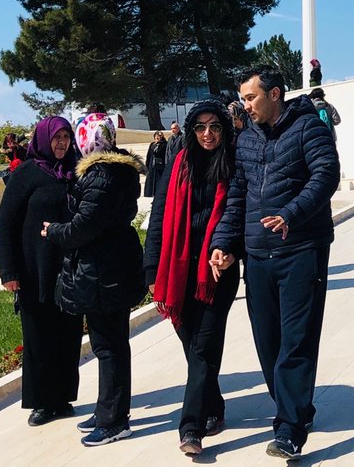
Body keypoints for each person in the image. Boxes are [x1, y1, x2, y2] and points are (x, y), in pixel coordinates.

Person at [209, 69, 339, 461]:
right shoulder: (246, 139)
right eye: (243, 99)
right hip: (258, 256)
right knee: (268, 343)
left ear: (276, 94)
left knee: (297, 341)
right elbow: (238, 195)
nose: (245, 105)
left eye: (250, 97)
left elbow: (326, 175)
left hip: (301, 250)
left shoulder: (308, 129)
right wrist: (225, 243)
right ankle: (296, 406)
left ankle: (290, 427)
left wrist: (292, 214)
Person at [145, 100, 239, 457]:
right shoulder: (179, 163)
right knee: (191, 343)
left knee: (203, 347)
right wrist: (152, 271)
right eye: (200, 127)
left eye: (215, 126)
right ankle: (213, 406)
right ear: (190, 131)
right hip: (179, 270)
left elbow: (239, 211)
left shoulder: (232, 163)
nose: (208, 134)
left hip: (217, 271)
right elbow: (158, 217)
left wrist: (231, 249)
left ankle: (191, 427)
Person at [44, 113, 145, 447]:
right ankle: (107, 411)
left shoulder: (102, 175)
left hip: (105, 272)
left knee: (110, 347)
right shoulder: (116, 172)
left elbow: (83, 227)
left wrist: (52, 230)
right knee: (108, 345)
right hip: (107, 268)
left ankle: (115, 420)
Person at [0, 116, 84, 427]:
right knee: (38, 337)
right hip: (35, 270)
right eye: (56, 137)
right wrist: (9, 271)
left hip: (71, 269)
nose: (61, 143)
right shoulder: (27, 174)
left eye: (66, 137)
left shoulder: (77, 170)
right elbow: (5, 224)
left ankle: (62, 398)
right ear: (44, 139)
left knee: (68, 335)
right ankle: (42, 402)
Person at [144, 130, 168, 198]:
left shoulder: (164, 144)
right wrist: (147, 165)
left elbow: (162, 153)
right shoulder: (152, 144)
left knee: (159, 180)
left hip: (160, 165)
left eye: (159, 136)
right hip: (152, 164)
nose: (157, 137)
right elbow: (149, 155)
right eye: (156, 136)